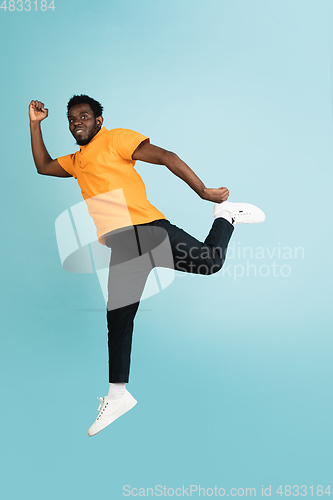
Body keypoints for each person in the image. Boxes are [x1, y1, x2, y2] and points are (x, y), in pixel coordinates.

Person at [29, 95, 265, 437]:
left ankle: (226, 216)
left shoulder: (115, 138)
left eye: (84, 116)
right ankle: (117, 395)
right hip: (123, 246)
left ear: (98, 121)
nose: (76, 122)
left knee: (211, 262)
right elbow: (43, 166)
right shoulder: (77, 161)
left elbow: (166, 157)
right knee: (118, 320)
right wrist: (36, 124)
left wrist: (202, 191)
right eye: (71, 119)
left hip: (148, 231)